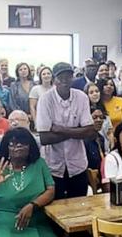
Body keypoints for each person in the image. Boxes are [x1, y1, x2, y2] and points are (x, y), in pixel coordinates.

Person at [36, 62, 97, 199]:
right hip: (53, 166)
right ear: (54, 79)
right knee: (54, 209)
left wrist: (60, 130)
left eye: (68, 76)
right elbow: (45, 138)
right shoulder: (45, 99)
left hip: (78, 165)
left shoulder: (81, 97)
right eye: (60, 77)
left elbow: (90, 132)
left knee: (77, 208)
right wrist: (77, 131)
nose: (64, 80)